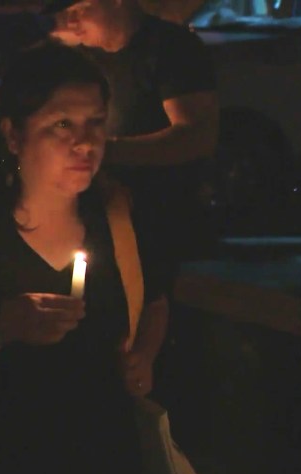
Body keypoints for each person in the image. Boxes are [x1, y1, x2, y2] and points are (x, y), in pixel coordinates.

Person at [0, 42, 168, 474]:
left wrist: (143, 356)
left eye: (95, 122)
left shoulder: (119, 217)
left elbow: (155, 299)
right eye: (62, 124)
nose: (86, 143)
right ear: (13, 134)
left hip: (97, 467)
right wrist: (3, 324)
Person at [48, 0, 219, 292]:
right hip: (96, 212)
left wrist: (104, 151)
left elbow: (196, 136)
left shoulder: (172, 49)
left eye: (80, 9)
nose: (70, 22)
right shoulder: (79, 57)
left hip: (158, 214)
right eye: (64, 14)